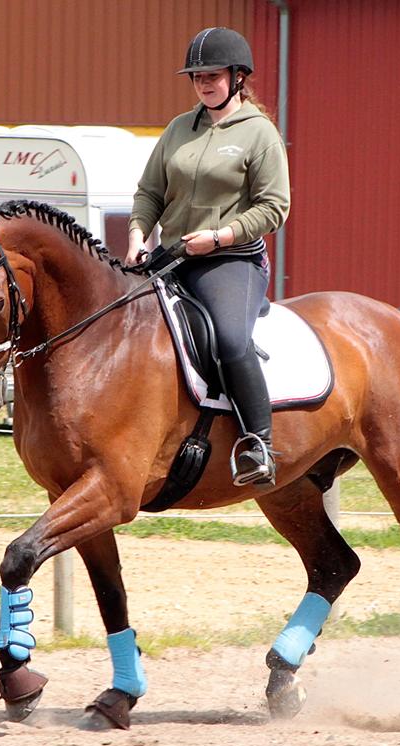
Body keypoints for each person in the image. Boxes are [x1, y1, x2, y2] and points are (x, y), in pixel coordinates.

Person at [126, 26, 290, 487]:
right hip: (172, 255)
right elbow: (149, 192)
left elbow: (274, 207)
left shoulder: (260, 135)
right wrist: (138, 235)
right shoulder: (180, 127)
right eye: (196, 76)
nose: (203, 83)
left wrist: (219, 237)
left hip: (230, 261)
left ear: (238, 77)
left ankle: (259, 444)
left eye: (212, 75)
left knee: (230, 340)